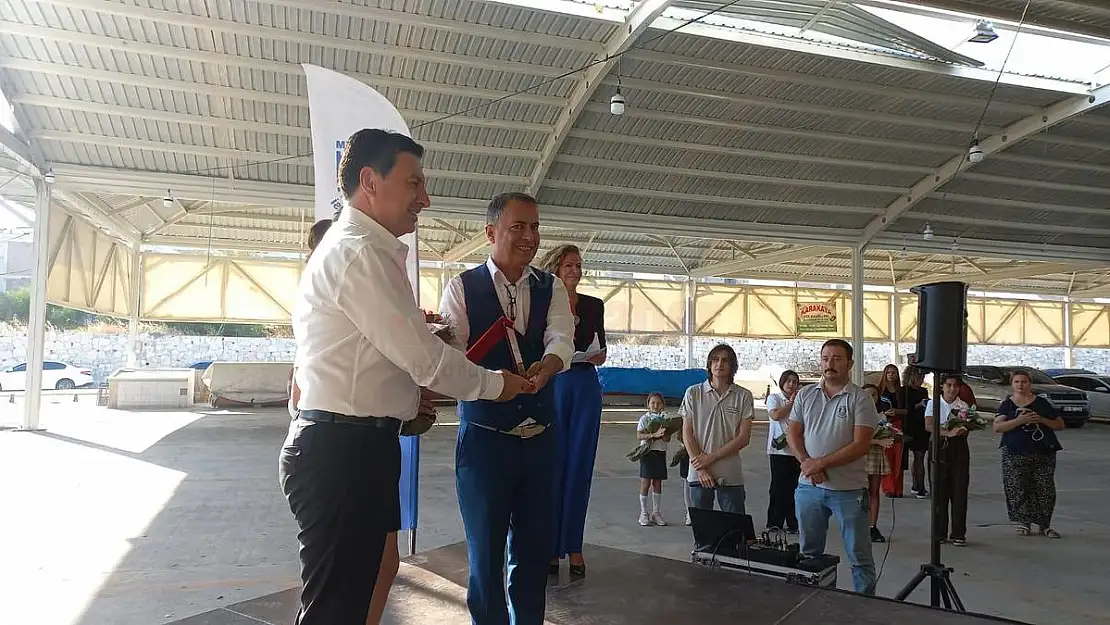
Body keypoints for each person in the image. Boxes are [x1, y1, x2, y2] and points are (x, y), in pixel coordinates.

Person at [280, 129, 533, 625]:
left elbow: (382, 354)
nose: (425, 197)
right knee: (335, 609)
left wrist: (405, 394)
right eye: (414, 182)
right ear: (370, 181)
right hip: (341, 451)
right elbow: (425, 360)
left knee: (357, 596)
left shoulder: (365, 250)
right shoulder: (358, 253)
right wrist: (500, 384)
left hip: (359, 446)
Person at [439, 192, 575, 625]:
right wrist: (494, 384)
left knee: (533, 558)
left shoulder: (550, 287)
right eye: (518, 227)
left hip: (540, 443)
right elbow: (452, 361)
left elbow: (562, 337)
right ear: (490, 232)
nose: (529, 237)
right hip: (485, 444)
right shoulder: (462, 288)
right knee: (485, 558)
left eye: (535, 227)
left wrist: (550, 364)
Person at [787, 339, 879, 595]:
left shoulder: (860, 399)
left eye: (837, 359)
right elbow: (793, 433)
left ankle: (864, 605)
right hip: (809, 487)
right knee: (809, 554)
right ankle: (812, 600)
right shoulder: (806, 395)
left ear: (850, 364)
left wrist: (820, 463)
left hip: (848, 490)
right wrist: (806, 463)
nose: (830, 364)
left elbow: (860, 445)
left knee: (859, 556)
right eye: (826, 358)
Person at [537, 244, 606, 577]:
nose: (575, 271)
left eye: (579, 266)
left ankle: (574, 545)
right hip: (555, 383)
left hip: (584, 383)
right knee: (552, 465)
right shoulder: (544, 301)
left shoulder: (594, 305)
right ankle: (550, 546)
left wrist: (591, 355)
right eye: (569, 266)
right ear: (555, 269)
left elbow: (600, 350)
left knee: (580, 465)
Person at [680, 343, 755, 514]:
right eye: (715, 359)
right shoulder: (693, 393)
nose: (719, 364)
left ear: (733, 366)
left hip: (730, 474)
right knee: (703, 527)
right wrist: (701, 468)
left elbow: (743, 438)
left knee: (734, 526)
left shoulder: (743, 396)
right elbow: (687, 434)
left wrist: (710, 458)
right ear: (709, 364)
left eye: (725, 361)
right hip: (699, 473)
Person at [992, 369, 1065, 539]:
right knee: (1018, 487)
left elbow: (1059, 424)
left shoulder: (1041, 403)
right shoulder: (1007, 404)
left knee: (1045, 488)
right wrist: (1019, 420)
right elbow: (997, 427)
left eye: (1024, 382)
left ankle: (1044, 524)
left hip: (1042, 451)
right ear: (1012, 384)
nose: (1020, 385)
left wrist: (1041, 419)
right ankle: (1024, 522)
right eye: (1017, 382)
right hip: (1015, 451)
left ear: (1030, 384)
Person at [925, 373, 973, 546]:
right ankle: (939, 531)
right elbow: (929, 425)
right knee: (939, 491)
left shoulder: (963, 405)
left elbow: (967, 424)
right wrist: (947, 432)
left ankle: (958, 533)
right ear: (942, 386)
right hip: (939, 447)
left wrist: (963, 428)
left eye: (955, 386)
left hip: (958, 448)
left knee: (959, 490)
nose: (952, 389)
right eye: (949, 385)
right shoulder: (933, 403)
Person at [765, 370, 800, 533]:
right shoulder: (774, 398)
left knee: (794, 488)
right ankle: (774, 522)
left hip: (796, 450)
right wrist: (791, 403)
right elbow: (776, 415)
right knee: (778, 488)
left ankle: (793, 523)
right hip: (778, 451)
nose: (791, 384)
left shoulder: (800, 400)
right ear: (782, 382)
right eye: (788, 381)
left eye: (794, 382)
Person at [861, 384, 894, 544]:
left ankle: (872, 526)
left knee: (874, 492)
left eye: (874, 394)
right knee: (860, 493)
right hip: (860, 456)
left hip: (875, 456)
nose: (871, 397)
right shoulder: (856, 415)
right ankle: (860, 525)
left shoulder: (881, 417)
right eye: (867, 394)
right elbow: (855, 440)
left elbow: (887, 433)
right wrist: (878, 441)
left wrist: (889, 438)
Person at [635, 392, 670, 527]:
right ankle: (643, 512)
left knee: (657, 483)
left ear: (663, 405)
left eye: (658, 403)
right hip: (647, 453)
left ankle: (656, 513)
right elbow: (639, 435)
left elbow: (667, 438)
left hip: (660, 452)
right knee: (646, 482)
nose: (655, 405)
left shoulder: (665, 419)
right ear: (648, 405)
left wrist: (664, 434)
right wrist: (654, 435)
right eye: (653, 403)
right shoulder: (644, 419)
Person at [876, 364, 906, 498]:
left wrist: (897, 411)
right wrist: (884, 413)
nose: (891, 375)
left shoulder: (902, 392)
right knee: (887, 457)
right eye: (888, 373)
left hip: (898, 424)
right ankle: (888, 488)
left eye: (894, 372)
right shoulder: (880, 391)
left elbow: (907, 410)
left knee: (898, 457)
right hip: (884, 424)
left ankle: (898, 488)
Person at [901, 366, 930, 498]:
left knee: (919, 457)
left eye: (923, 377)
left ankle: (918, 485)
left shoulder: (923, 391)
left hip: (921, 426)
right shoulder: (904, 391)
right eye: (919, 377)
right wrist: (918, 405)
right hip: (909, 426)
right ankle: (918, 486)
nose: (921, 379)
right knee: (916, 458)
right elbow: (904, 409)